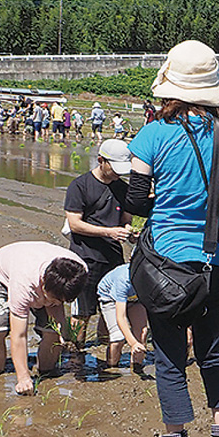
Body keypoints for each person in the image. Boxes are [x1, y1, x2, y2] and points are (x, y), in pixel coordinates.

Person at [125, 40, 219, 437]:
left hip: (167, 266)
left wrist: (170, 198)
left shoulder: (152, 134)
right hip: (215, 263)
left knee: (170, 358)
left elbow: (136, 202)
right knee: (214, 352)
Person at [0, 241, 89, 394]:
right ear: (43, 283)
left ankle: (46, 370)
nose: (52, 303)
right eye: (50, 299)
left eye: (59, 301)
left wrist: (63, 333)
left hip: (40, 272)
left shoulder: (79, 272)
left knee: (53, 332)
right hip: (0, 278)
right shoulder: (23, 285)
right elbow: (19, 335)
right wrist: (23, 377)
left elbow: (57, 306)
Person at [64, 139, 133, 347]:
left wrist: (128, 231)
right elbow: (75, 224)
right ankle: (76, 353)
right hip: (84, 256)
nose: (117, 174)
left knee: (111, 308)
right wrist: (108, 232)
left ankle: (107, 348)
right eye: (114, 168)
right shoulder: (80, 186)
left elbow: (126, 220)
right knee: (82, 312)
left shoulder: (123, 188)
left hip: (113, 257)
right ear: (101, 160)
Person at [96, 264, 148, 371]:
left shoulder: (152, 276)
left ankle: (137, 366)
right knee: (118, 336)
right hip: (110, 297)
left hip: (135, 298)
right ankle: (112, 367)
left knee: (143, 332)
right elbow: (121, 317)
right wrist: (132, 343)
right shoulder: (123, 280)